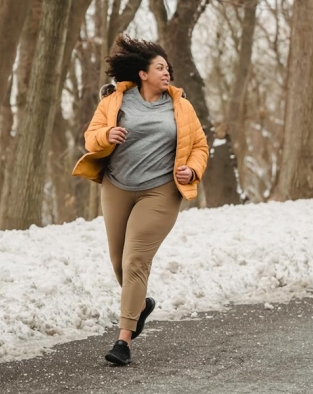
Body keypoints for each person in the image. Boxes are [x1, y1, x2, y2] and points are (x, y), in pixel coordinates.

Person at [72, 35, 209, 366]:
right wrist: (107, 136)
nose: (166, 73)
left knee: (135, 261)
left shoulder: (182, 107)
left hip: (159, 191)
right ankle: (141, 304)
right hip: (117, 187)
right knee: (120, 262)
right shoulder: (115, 102)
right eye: (159, 67)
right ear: (142, 73)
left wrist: (192, 169)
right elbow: (91, 137)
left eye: (168, 68)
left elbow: (200, 147)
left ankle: (123, 340)